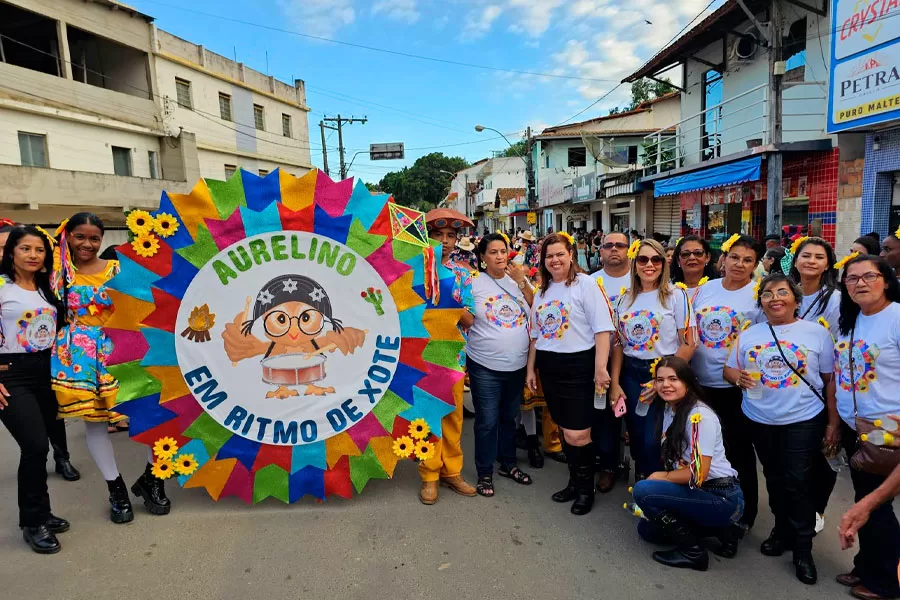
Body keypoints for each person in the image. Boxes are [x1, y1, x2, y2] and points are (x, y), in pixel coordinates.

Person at [52, 213, 170, 523]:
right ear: (68, 236)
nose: (87, 244)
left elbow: (146, 304)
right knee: (95, 424)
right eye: (80, 236)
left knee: (151, 416)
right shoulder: (58, 275)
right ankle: (115, 489)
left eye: (94, 238)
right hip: (80, 358)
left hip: (123, 351)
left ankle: (153, 479)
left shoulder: (118, 269)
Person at [724, 274, 836, 585]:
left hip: (803, 419)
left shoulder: (816, 334)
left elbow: (830, 381)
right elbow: (729, 368)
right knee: (774, 478)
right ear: (761, 302)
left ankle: (803, 549)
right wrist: (737, 378)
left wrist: (833, 423)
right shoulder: (750, 334)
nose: (774, 298)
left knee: (798, 481)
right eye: (767, 294)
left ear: (796, 300)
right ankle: (781, 531)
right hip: (759, 419)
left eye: (782, 292)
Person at [526, 233, 614, 515]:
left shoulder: (586, 285)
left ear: (571, 255)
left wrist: (600, 368)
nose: (554, 260)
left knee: (578, 433)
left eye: (559, 254)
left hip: (579, 367)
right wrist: (531, 369)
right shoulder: (542, 291)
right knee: (565, 428)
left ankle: (586, 490)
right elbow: (536, 335)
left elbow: (603, 329)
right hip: (550, 367)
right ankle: (575, 482)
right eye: (549, 256)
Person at [631, 357, 744, 571]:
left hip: (720, 495)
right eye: (660, 380)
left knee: (643, 491)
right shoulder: (670, 409)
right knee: (647, 530)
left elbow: (698, 474)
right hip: (695, 490)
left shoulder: (699, 416)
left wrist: (661, 477)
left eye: (673, 379)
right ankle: (723, 530)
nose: (665, 385)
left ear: (688, 382)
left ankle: (693, 552)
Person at [831, 254, 900, 600]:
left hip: (884, 426)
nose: (860, 283)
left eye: (868, 276)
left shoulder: (897, 318)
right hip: (852, 423)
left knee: (875, 502)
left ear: (885, 280)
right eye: (852, 278)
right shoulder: (852, 318)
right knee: (864, 494)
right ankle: (867, 565)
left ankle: (887, 581)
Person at [0, 226, 71, 554]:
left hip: (47, 371)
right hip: (11, 374)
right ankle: (32, 523)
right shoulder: (2, 286)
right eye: (25, 248)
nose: (32, 255)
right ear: (11, 251)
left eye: (39, 250)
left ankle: (42, 512)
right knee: (34, 445)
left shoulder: (46, 287)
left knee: (41, 445)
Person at [691, 234, 761, 532]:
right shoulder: (706, 288)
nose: (739, 264)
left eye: (747, 260)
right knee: (702, 448)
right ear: (724, 259)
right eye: (734, 257)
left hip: (735, 388)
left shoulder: (758, 294)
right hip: (699, 383)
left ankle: (745, 514)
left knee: (738, 452)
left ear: (755, 265)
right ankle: (706, 506)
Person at [610, 239, 695, 482]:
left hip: (666, 371)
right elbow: (618, 344)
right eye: (643, 259)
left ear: (664, 263)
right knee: (637, 435)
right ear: (634, 263)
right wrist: (615, 382)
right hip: (631, 373)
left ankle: (656, 485)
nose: (650, 265)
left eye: (656, 259)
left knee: (655, 438)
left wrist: (663, 380)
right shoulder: (624, 299)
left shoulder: (676, 296)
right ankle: (642, 481)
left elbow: (689, 343)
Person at [462, 233, 534, 497]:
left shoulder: (518, 281)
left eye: (503, 251)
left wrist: (522, 281)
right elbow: (465, 318)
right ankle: (484, 472)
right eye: (493, 252)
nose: (500, 256)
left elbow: (537, 309)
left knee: (508, 418)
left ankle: (508, 463)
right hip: (485, 366)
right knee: (487, 421)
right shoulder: (473, 283)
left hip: (516, 365)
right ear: (482, 257)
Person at [419, 208, 478, 504]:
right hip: (421, 355)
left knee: (454, 417)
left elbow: (470, 319)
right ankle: (429, 475)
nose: (444, 240)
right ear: (426, 237)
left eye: (451, 235)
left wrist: (447, 300)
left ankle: (451, 471)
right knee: (428, 416)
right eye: (438, 234)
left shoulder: (462, 274)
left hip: (454, 354)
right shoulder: (413, 270)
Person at [788, 237, 842, 532]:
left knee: (821, 454)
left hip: (822, 385)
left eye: (818, 257)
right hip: (785, 386)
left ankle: (816, 510)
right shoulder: (784, 291)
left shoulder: (834, 300)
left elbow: (836, 346)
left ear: (827, 264)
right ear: (795, 260)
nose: (811, 261)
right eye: (805, 255)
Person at [591, 231, 632, 493]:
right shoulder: (590, 282)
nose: (614, 249)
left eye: (620, 245)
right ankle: (607, 464)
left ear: (629, 250)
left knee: (634, 419)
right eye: (608, 245)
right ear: (601, 251)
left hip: (637, 359)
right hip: (602, 359)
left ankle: (638, 469)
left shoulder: (640, 279)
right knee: (604, 415)